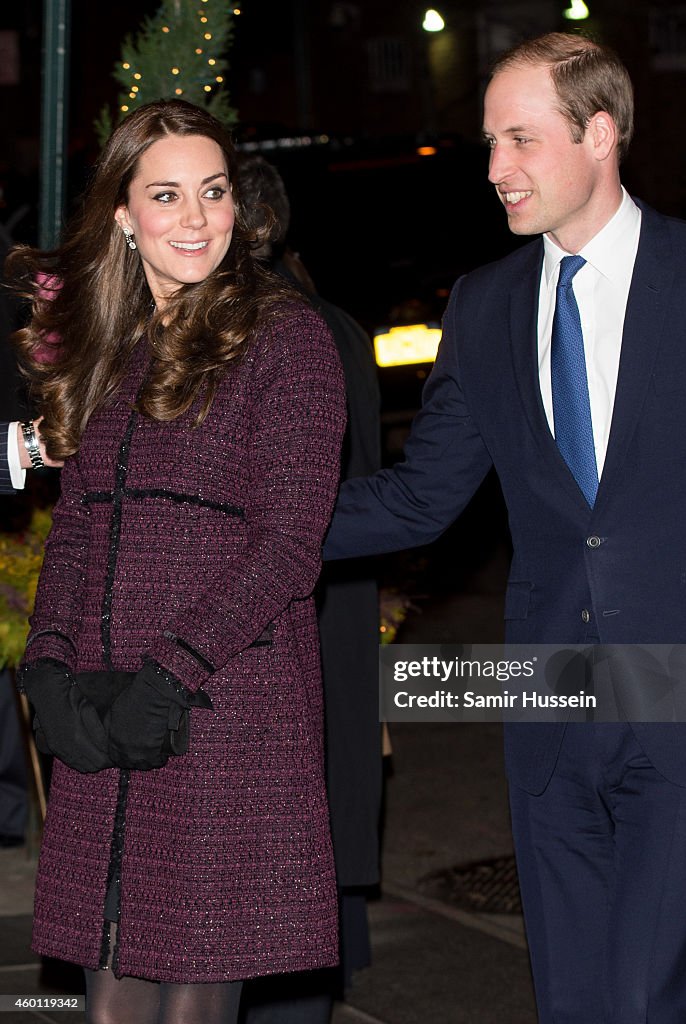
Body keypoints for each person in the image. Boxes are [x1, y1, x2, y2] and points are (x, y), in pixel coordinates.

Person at [323, 32, 686, 1023]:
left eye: (519, 140)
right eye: (488, 142)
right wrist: (240, 516)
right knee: (574, 1003)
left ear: (599, 134)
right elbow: (418, 497)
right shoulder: (484, 305)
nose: (494, 169)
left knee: (646, 1000)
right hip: (547, 703)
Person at [8, 99, 346, 1024]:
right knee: (111, 1008)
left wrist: (171, 673)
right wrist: (47, 664)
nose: (196, 218)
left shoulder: (287, 340)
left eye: (214, 191)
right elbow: (77, 526)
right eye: (167, 195)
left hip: (223, 709)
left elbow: (286, 545)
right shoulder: (105, 350)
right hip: (103, 709)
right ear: (123, 214)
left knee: (193, 1008)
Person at [236, 157, 382, 1023]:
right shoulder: (333, 323)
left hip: (289, 595)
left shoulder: (276, 334)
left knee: (285, 823)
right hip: (332, 589)